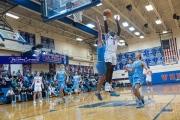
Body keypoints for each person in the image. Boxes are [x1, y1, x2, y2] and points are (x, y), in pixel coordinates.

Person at [103, 12, 121, 94]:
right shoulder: (107, 37)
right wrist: (104, 18)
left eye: (113, 31)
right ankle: (106, 84)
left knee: (112, 70)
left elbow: (119, 30)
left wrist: (117, 22)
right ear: (109, 33)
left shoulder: (116, 38)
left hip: (114, 54)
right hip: (108, 53)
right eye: (111, 31)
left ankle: (109, 83)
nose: (112, 31)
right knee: (109, 68)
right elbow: (106, 28)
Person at [94, 17, 107, 100]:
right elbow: (100, 32)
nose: (101, 39)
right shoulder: (100, 45)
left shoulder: (105, 46)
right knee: (105, 77)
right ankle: (109, 89)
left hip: (104, 63)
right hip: (101, 63)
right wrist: (98, 23)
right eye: (100, 39)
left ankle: (98, 92)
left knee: (103, 79)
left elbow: (106, 34)